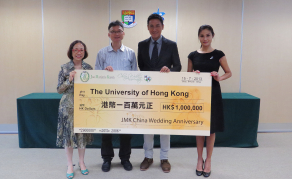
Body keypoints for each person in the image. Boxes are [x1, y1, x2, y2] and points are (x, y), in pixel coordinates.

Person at [137, 13, 181, 173]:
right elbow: (141, 67)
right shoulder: (141, 45)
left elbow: (178, 66)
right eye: (151, 26)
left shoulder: (171, 45)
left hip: (165, 91)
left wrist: (169, 70)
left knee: (164, 125)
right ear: (147, 27)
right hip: (147, 91)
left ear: (162, 27)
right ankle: (148, 157)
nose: (154, 29)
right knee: (147, 125)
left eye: (157, 25)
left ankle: (164, 158)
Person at [187, 25, 232, 177]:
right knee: (199, 128)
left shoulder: (219, 54)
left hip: (213, 94)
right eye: (202, 36)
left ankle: (209, 160)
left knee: (211, 129)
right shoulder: (192, 55)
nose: (205, 38)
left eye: (208, 35)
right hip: (198, 95)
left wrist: (219, 77)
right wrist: (194, 74)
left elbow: (228, 73)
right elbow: (187, 76)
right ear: (198, 37)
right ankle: (199, 160)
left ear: (213, 36)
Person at [95, 20, 137, 172]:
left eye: (119, 31)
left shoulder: (131, 53)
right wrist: (105, 73)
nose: (116, 34)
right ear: (109, 34)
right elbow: (96, 76)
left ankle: (125, 159)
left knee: (126, 131)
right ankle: (107, 159)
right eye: (113, 31)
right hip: (107, 98)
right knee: (106, 131)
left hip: (126, 98)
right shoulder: (102, 53)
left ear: (123, 33)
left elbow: (135, 77)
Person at [56, 40, 93, 179]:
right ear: (71, 51)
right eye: (75, 49)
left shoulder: (88, 68)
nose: (78, 52)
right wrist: (69, 80)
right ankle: (70, 164)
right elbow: (59, 90)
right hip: (68, 106)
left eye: (81, 50)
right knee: (69, 136)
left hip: (84, 105)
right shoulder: (65, 68)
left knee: (82, 135)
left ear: (85, 52)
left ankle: (82, 162)